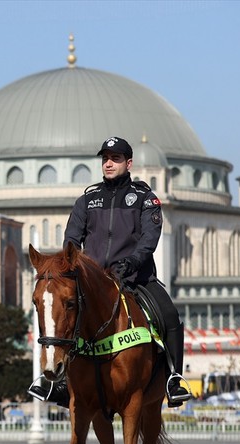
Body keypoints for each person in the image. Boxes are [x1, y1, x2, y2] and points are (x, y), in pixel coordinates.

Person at [29, 136, 191, 409]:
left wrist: (130, 263)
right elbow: (72, 241)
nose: (108, 163)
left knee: (170, 315)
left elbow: (149, 240)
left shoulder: (145, 199)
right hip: (92, 283)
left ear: (128, 163)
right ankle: (57, 381)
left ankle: (174, 377)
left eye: (115, 159)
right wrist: (72, 268)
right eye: (105, 159)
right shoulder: (87, 200)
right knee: (61, 315)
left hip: (135, 278)